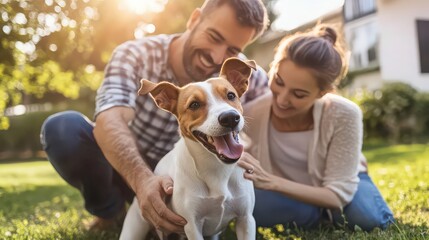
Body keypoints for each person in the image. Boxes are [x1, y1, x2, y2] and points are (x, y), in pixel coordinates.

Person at [40, 0, 269, 234]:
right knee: (63, 129)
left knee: (281, 207)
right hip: (131, 170)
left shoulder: (243, 73)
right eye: (214, 37)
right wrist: (143, 182)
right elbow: (109, 119)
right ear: (194, 19)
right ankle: (109, 211)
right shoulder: (135, 54)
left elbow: (279, 108)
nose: (217, 56)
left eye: (232, 50)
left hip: (200, 177)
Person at [237, 25, 395, 232]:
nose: (282, 99)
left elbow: (338, 194)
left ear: (323, 92)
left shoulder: (344, 113)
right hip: (287, 188)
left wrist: (271, 182)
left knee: (367, 219)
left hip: (339, 182)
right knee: (256, 210)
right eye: (278, 81)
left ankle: (323, 211)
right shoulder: (253, 112)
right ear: (273, 68)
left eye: (299, 94)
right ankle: (315, 213)